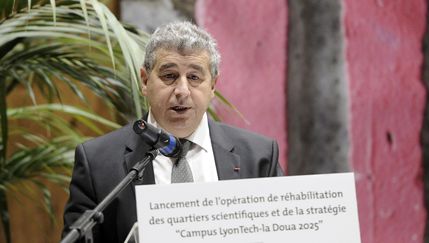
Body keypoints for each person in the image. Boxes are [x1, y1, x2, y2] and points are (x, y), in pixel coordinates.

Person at [62, 21, 283, 243]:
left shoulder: (258, 157)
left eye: (194, 77)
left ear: (213, 86)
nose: (182, 91)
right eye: (169, 76)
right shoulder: (97, 162)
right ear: (145, 81)